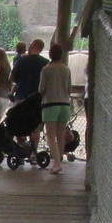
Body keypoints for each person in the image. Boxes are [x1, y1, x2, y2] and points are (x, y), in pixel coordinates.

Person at [39, 42, 73, 174]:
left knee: (50, 135)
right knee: (60, 135)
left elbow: (41, 89)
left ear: (50, 54)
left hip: (50, 104)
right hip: (65, 104)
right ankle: (59, 160)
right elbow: (69, 89)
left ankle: (57, 163)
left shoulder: (46, 69)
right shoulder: (66, 69)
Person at [10, 38, 49, 153]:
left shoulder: (22, 60)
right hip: (37, 99)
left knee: (18, 123)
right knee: (35, 127)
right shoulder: (46, 63)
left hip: (21, 96)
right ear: (41, 49)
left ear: (32, 46)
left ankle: (21, 148)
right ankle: (34, 152)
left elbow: (13, 78)